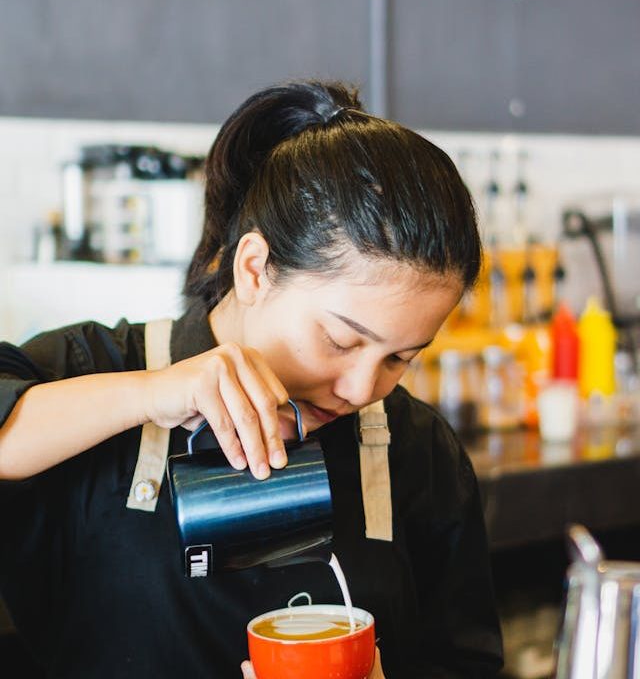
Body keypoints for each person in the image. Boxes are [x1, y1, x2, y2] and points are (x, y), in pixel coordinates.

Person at [0, 80, 503, 678]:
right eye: (341, 340)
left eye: (402, 358)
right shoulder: (98, 370)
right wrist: (155, 392)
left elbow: (464, 662)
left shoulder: (415, 449)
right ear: (255, 268)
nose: (362, 389)